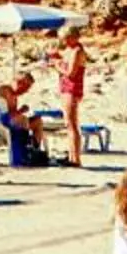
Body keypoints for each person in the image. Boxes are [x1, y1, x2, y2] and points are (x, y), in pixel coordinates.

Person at [50, 27, 90, 166]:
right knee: (68, 123)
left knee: (72, 124)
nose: (63, 41)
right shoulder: (69, 50)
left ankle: (76, 159)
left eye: (65, 38)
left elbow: (71, 73)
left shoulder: (77, 51)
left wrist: (57, 66)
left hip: (72, 88)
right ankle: (72, 156)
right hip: (66, 88)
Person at [0, 75, 49, 166]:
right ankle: (24, 154)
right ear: (17, 82)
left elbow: (12, 114)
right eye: (24, 86)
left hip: (11, 123)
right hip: (1, 123)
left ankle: (34, 150)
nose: (25, 91)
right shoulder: (4, 89)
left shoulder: (14, 96)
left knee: (37, 121)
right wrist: (21, 111)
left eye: (27, 88)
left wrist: (20, 112)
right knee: (23, 119)